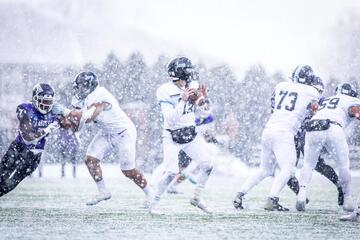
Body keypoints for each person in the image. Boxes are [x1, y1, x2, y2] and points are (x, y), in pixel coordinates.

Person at [53, 72, 151, 206]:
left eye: (80, 87)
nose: (78, 90)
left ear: (88, 86)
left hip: (124, 133)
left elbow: (88, 117)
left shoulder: (101, 95)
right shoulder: (86, 98)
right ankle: (103, 191)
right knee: (90, 160)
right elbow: (79, 126)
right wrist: (64, 122)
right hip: (107, 132)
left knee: (128, 170)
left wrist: (65, 112)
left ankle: (150, 194)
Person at [233, 65, 320, 211]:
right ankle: (272, 199)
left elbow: (273, 105)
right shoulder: (311, 91)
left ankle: (239, 194)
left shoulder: (281, 86)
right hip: (284, 133)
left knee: (264, 170)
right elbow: (314, 111)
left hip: (268, 130)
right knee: (287, 169)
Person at [149, 57, 213, 214]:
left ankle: (197, 197)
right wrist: (183, 101)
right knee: (171, 172)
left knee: (207, 165)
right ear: (181, 73)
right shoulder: (164, 90)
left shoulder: (193, 85)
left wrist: (204, 101)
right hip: (172, 136)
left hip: (190, 134)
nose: (190, 74)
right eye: (188, 71)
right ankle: (153, 204)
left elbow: (206, 112)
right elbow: (170, 119)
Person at [296, 83, 360, 212]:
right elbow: (355, 111)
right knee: (343, 165)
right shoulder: (352, 100)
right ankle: (347, 199)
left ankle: (301, 194)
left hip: (313, 126)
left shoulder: (325, 99)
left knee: (308, 164)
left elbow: (312, 108)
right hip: (333, 128)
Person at [286, 78, 344, 206]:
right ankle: (301, 194)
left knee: (316, 165)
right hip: (294, 135)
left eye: (319, 91)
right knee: (287, 170)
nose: (318, 93)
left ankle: (339, 185)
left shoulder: (321, 101)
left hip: (307, 135)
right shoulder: (301, 96)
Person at [0, 83, 60, 197]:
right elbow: (27, 138)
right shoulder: (26, 109)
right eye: (43, 101)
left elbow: (75, 122)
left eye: (48, 102)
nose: (46, 105)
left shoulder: (55, 112)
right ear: (35, 98)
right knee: (2, 174)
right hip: (18, 148)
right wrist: (46, 130)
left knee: (10, 184)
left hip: (34, 155)